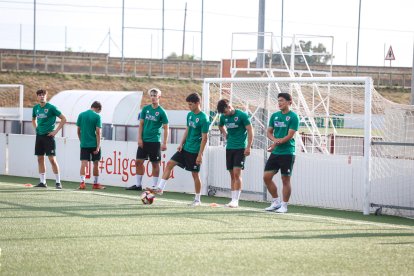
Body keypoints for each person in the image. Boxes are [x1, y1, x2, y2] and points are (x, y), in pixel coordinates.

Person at [148, 92, 209, 206]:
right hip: (185, 148)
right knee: (170, 163)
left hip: (195, 151)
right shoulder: (189, 115)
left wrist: (200, 154)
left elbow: (205, 138)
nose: (189, 106)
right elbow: (187, 130)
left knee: (195, 174)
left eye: (191, 104)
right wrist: (181, 143)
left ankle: (197, 199)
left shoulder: (204, 118)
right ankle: (160, 188)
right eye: (188, 104)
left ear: (197, 103)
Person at [126, 88, 169, 191]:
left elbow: (166, 128)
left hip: (155, 141)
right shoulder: (145, 109)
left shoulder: (162, 112)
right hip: (144, 141)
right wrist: (139, 138)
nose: (153, 97)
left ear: (159, 97)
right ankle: (138, 185)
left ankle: (154, 186)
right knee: (138, 162)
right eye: (151, 95)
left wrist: (165, 143)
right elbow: (141, 124)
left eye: (155, 95)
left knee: (155, 163)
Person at [263, 93, 300, 213]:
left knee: (285, 179)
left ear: (290, 102)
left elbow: (289, 135)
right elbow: (268, 132)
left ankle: (284, 206)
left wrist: (274, 144)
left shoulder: (294, 117)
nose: (279, 103)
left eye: (282, 101)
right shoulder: (274, 116)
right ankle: (276, 202)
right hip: (276, 152)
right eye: (278, 101)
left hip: (288, 152)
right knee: (266, 177)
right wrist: (274, 141)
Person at [217, 99, 254, 208]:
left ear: (229, 107)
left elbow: (250, 130)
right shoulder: (223, 117)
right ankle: (232, 199)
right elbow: (220, 125)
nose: (225, 115)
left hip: (240, 148)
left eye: (225, 112)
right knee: (232, 174)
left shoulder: (242, 115)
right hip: (229, 148)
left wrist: (248, 146)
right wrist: (225, 133)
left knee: (237, 173)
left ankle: (236, 200)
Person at [32, 89, 66, 189]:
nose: (42, 96)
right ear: (37, 97)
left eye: (43, 95)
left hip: (49, 136)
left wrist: (55, 131)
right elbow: (33, 119)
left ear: (46, 96)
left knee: (52, 159)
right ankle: (42, 182)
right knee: (40, 158)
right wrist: (36, 128)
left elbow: (64, 119)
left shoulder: (51, 107)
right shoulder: (35, 108)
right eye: (40, 95)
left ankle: (58, 182)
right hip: (39, 136)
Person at [76, 101, 105, 190]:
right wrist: (98, 146)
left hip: (84, 144)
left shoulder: (81, 115)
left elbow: (78, 131)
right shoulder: (97, 116)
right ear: (98, 109)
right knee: (96, 163)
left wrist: (82, 141)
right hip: (94, 144)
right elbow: (98, 132)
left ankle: (82, 183)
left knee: (83, 163)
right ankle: (95, 184)